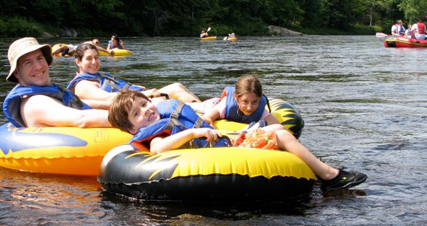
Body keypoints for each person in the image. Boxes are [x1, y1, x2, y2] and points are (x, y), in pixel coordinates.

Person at [108, 91, 368, 191]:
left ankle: (317, 166)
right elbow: (158, 148)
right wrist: (193, 133)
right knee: (280, 134)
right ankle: (330, 176)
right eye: (137, 113)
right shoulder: (155, 132)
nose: (146, 111)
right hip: (222, 150)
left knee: (275, 128)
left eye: (145, 104)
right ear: (132, 127)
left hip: (225, 143)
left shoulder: (162, 117)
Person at [3, 37, 111, 128]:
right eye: (28, 63)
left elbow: (79, 104)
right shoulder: (35, 102)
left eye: (40, 58)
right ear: (17, 73)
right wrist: (126, 116)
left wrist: (116, 105)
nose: (38, 66)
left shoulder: (46, 94)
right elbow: (82, 120)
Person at [67, 42, 202, 105]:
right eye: (89, 59)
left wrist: (138, 88)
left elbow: (119, 88)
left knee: (176, 86)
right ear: (78, 62)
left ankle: (205, 109)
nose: (94, 62)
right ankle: (204, 113)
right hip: (130, 107)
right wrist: (145, 93)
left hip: (137, 98)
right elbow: (108, 98)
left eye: (96, 58)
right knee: (172, 95)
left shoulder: (98, 76)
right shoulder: (83, 85)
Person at [200, 75, 282, 134]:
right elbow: (207, 118)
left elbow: (280, 128)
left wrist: (257, 132)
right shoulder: (225, 105)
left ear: (259, 99)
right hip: (210, 105)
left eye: (254, 102)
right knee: (191, 101)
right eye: (245, 102)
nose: (249, 108)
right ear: (236, 97)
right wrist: (214, 133)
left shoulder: (260, 110)